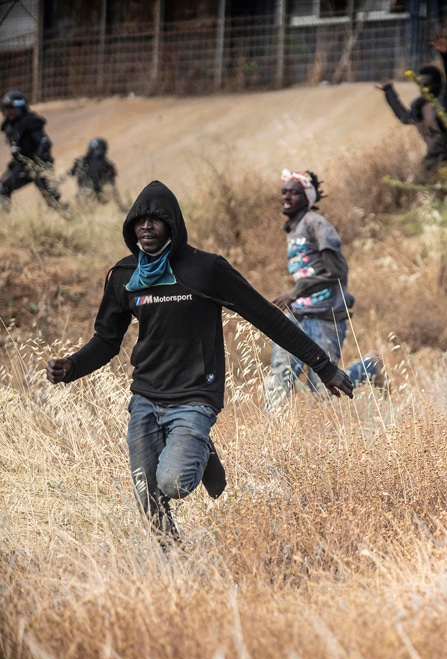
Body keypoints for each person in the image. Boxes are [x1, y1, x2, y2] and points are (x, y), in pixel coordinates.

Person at [45, 180, 354, 545]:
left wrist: (324, 366)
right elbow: (106, 340)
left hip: (195, 397)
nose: (146, 226)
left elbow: (267, 318)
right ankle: (174, 560)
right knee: (148, 496)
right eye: (139, 220)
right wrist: (72, 367)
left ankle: (202, 449)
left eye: (155, 220)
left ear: (172, 226)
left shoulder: (205, 270)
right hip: (145, 397)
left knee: (172, 483)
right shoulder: (125, 277)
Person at [265, 170, 384, 409]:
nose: (286, 197)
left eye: (294, 193)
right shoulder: (293, 228)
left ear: (307, 198)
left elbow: (337, 272)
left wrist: (296, 292)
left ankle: (369, 366)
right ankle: (272, 442)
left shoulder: (317, 224)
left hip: (325, 317)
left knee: (320, 390)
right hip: (297, 317)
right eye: (284, 192)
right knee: (279, 380)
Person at [377, 30, 447, 174]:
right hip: (434, 158)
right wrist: (389, 91)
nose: (423, 88)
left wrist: (446, 55)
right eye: (420, 84)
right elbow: (404, 116)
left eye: (427, 84)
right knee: (423, 186)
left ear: (436, 84)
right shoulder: (418, 107)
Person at [1, 90, 66, 213]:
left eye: (11, 109)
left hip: (38, 164)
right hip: (21, 165)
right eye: (6, 109)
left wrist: (40, 160)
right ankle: (3, 222)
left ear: (19, 108)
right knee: (3, 187)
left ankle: (72, 219)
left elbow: (44, 142)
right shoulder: (9, 126)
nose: (9, 113)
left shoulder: (30, 122)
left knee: (53, 200)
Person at [68, 137, 118, 204]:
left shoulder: (81, 161)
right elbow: (110, 183)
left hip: (81, 196)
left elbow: (69, 173)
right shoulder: (105, 164)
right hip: (97, 197)